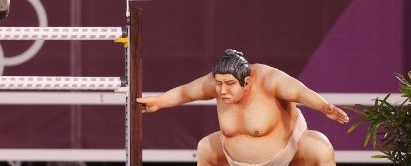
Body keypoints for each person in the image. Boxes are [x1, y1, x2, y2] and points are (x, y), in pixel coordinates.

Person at [137, 49, 350, 166]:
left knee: (321, 148)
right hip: (235, 161)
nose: (222, 91)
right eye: (218, 83)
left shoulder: (270, 79)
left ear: (246, 82)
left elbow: (300, 92)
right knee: (205, 148)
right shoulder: (218, 83)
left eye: (230, 84)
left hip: (286, 154)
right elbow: (185, 92)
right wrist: (159, 102)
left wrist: (324, 107)